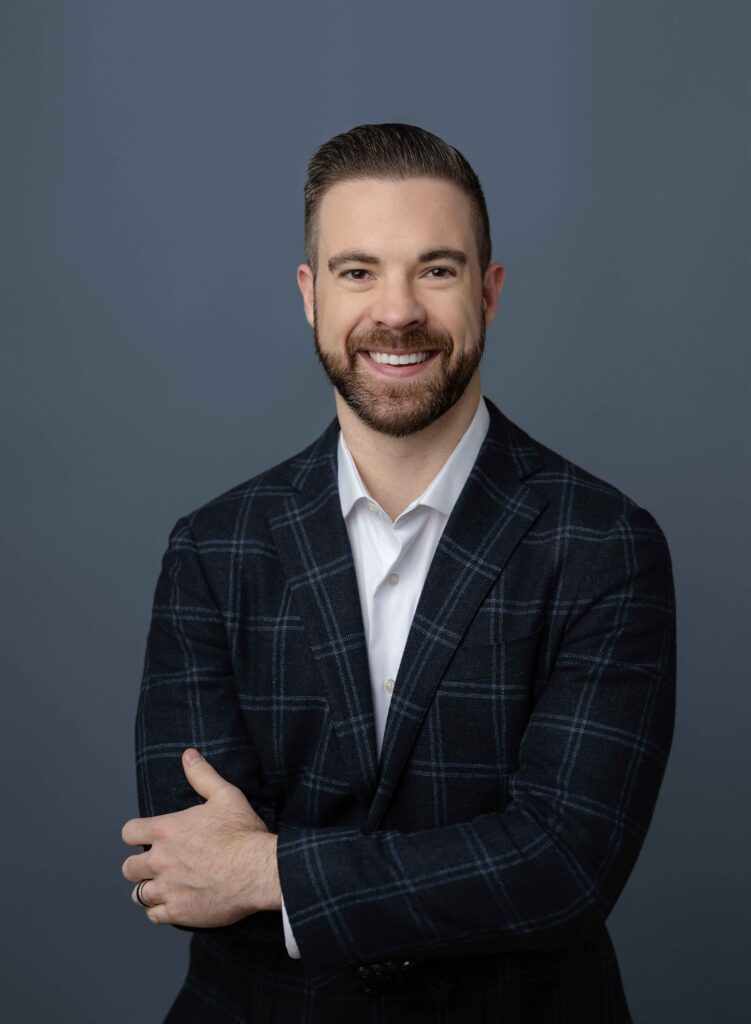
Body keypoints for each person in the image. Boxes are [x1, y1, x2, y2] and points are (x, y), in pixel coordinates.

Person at [121, 123, 676, 1023]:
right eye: (357, 271)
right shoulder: (212, 550)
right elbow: (185, 863)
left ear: (488, 293)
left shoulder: (604, 544)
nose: (397, 309)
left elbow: (563, 867)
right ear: (308, 295)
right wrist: (451, 878)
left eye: (437, 269)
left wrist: (270, 870)